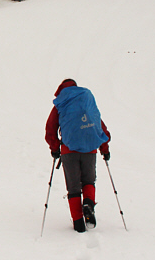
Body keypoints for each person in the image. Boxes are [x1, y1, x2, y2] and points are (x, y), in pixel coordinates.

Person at [45, 79, 111, 233]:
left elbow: (50, 128)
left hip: (69, 151)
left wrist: (55, 148)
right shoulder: (86, 100)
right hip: (90, 149)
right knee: (89, 181)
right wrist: (104, 148)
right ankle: (88, 203)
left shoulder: (61, 102)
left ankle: (78, 224)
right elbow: (98, 125)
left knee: (73, 187)